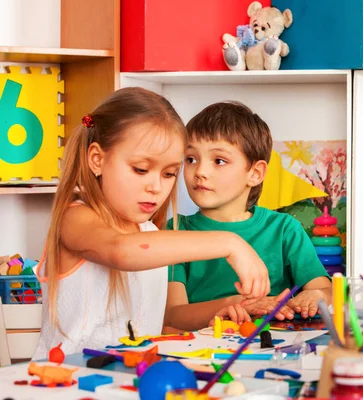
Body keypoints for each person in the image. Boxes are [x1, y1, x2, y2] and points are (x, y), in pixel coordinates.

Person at [33, 88, 270, 359]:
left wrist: (209, 322)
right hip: (65, 383)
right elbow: (122, 251)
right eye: (141, 169)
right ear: (97, 159)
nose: (156, 187)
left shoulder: (150, 233)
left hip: (127, 381)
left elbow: (142, 329)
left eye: (169, 173)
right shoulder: (74, 218)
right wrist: (231, 243)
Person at [164, 101, 332, 332]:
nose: (200, 172)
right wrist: (234, 304)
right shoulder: (174, 231)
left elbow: (326, 291)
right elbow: (172, 316)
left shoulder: (284, 229)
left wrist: (314, 296)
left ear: (255, 173)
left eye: (219, 161)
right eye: (191, 159)